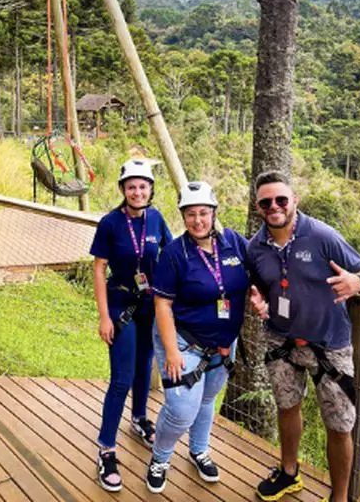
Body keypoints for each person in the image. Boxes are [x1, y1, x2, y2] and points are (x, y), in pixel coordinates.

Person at [246, 170, 360, 502]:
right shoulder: (256, 247)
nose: (274, 206)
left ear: (294, 201)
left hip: (329, 345)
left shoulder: (321, 236)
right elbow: (260, 288)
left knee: (339, 425)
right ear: (257, 207)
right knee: (287, 406)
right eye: (266, 202)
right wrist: (259, 301)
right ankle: (289, 473)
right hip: (281, 342)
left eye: (281, 199)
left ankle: (340, 497)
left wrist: (356, 284)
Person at [146, 182, 250, 494]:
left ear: (214, 212)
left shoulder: (233, 243)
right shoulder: (175, 253)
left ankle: (199, 449)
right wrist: (170, 353)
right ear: (183, 217)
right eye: (191, 214)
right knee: (180, 410)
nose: (198, 220)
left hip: (223, 343)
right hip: (183, 341)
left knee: (206, 399)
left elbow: (253, 275)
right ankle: (160, 459)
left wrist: (260, 296)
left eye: (204, 213)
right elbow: (162, 304)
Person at [89, 158, 173, 492]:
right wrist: (104, 316)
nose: (137, 192)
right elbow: (98, 269)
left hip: (149, 306)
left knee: (144, 367)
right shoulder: (110, 223)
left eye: (142, 186)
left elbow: (171, 254)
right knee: (121, 378)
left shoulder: (156, 218)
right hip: (121, 303)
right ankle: (106, 448)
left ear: (150, 189)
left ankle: (139, 418)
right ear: (123, 190)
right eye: (131, 187)